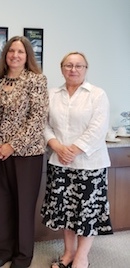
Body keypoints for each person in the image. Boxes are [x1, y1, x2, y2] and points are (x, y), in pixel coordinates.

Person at [41, 52, 113, 268]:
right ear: (62, 68)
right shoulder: (52, 94)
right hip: (60, 163)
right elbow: (44, 124)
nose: (73, 69)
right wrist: (57, 146)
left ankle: (82, 257)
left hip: (90, 164)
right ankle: (68, 253)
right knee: (66, 212)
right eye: (68, 65)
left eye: (78, 66)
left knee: (86, 212)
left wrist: (73, 150)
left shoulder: (97, 95)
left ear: (85, 69)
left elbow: (97, 128)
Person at [0, 36, 49, 268]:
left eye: (20, 51)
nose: (15, 55)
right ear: (5, 55)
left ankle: (23, 256)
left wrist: (12, 145)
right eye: (11, 50)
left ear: (27, 56)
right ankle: (1, 251)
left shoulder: (36, 80)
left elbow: (36, 120)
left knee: (23, 205)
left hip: (26, 154)